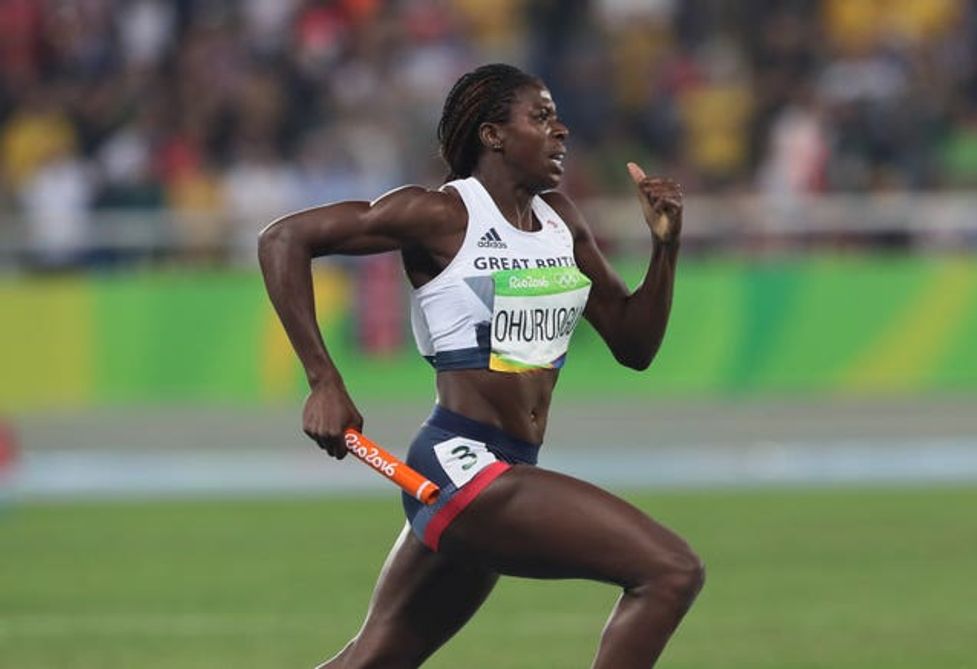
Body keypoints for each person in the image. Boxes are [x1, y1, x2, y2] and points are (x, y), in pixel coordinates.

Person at [258, 63, 704, 669]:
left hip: (508, 467)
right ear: (493, 135)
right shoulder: (440, 215)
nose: (561, 130)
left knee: (368, 663)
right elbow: (283, 240)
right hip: (461, 467)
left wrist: (666, 246)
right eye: (541, 117)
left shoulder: (559, 221)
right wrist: (323, 382)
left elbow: (634, 345)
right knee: (670, 571)